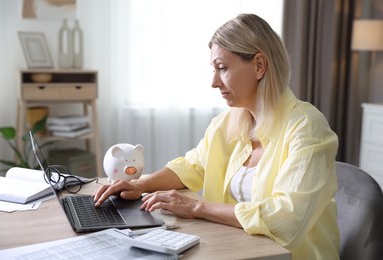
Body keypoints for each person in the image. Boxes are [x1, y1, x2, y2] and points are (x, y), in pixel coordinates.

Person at [93, 13, 339, 259]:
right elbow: (192, 166)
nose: (213, 82)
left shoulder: (307, 128)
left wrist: (197, 207)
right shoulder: (227, 123)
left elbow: (287, 218)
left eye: (222, 68)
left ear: (259, 66)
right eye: (214, 69)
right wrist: (139, 186)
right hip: (239, 249)